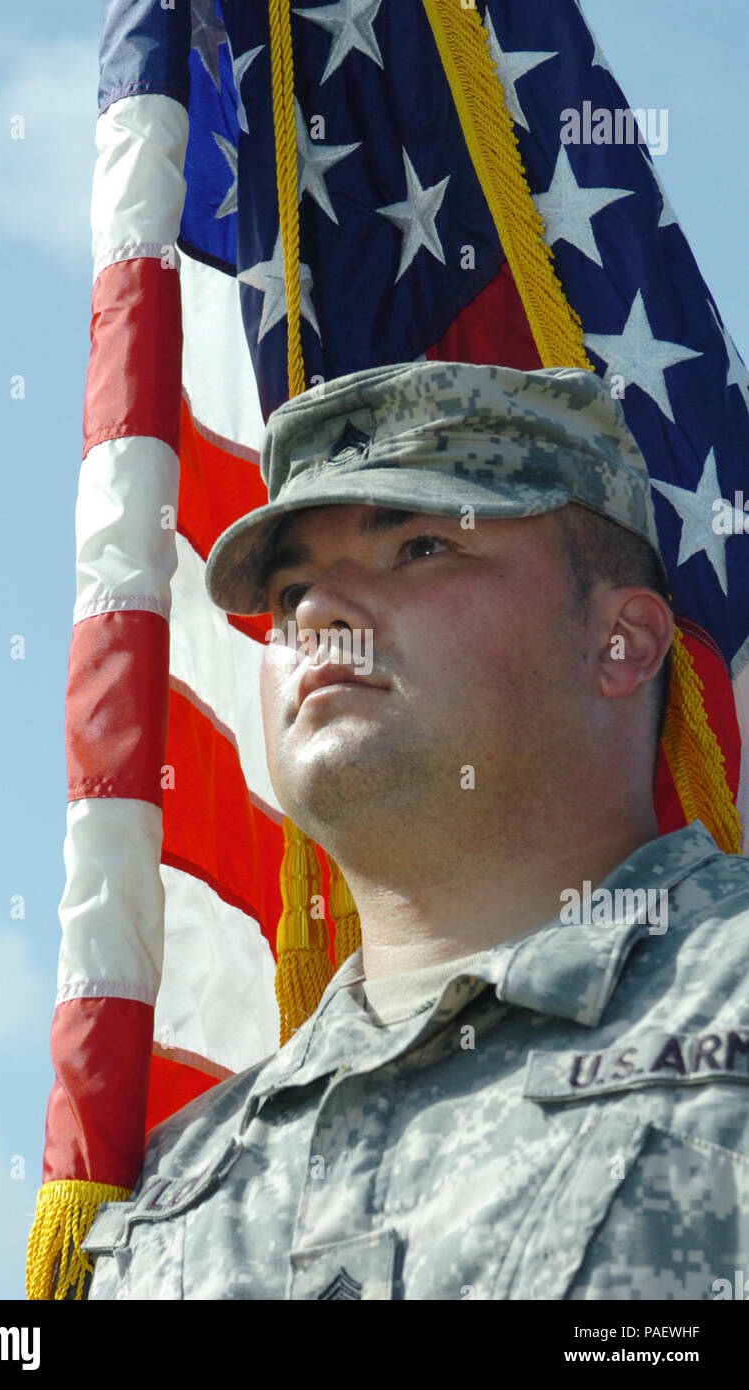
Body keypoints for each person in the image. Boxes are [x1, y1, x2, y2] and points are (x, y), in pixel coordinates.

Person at [82, 360, 749, 1300]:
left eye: (421, 548)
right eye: (289, 596)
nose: (316, 615)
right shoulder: (179, 1196)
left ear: (622, 644)